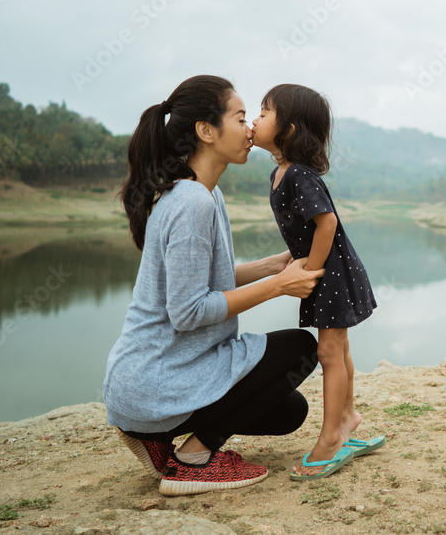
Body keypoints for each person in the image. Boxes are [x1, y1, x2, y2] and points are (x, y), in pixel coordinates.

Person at [102, 75, 325, 497]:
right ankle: (192, 459)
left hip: (153, 381)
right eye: (240, 117)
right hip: (155, 379)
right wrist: (280, 285)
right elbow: (188, 313)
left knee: (288, 412)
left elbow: (207, 283)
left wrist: (268, 267)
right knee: (300, 348)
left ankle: (154, 439)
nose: (250, 129)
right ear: (206, 131)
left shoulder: (204, 194)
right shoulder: (191, 203)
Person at [251, 83, 383, 481]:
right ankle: (347, 417)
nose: (255, 120)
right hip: (329, 268)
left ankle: (330, 438)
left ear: (288, 130)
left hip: (331, 272)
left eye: (263, 112)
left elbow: (326, 223)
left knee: (328, 351)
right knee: (338, 347)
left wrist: (310, 270)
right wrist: (300, 258)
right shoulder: (281, 173)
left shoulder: (298, 176)